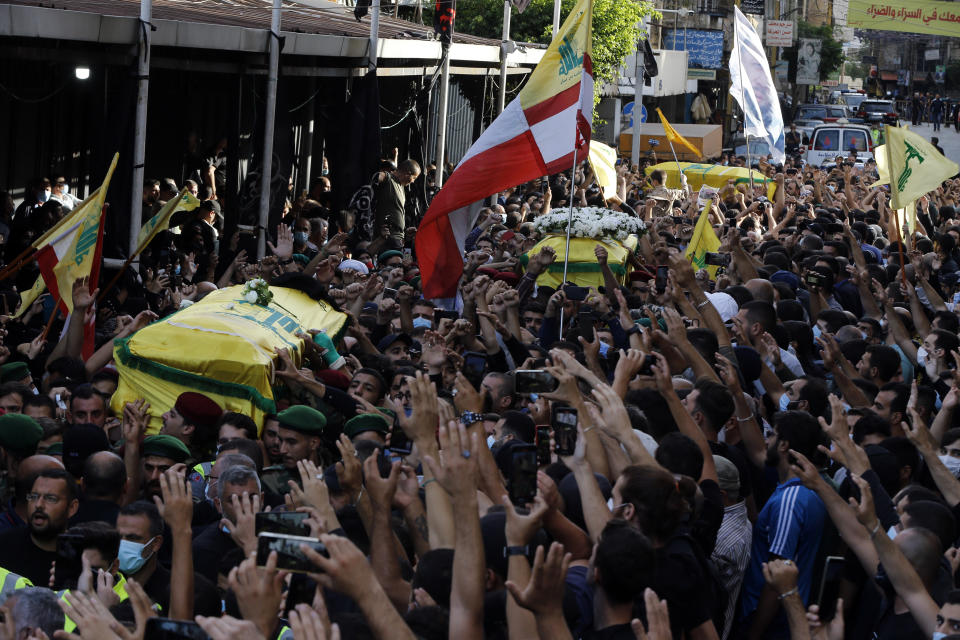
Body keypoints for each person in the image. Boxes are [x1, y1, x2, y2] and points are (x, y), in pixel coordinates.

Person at [0, 469, 79, 585]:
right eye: (33, 497)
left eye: (50, 498)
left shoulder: (81, 556)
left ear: (72, 508)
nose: (39, 505)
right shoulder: (4, 545)